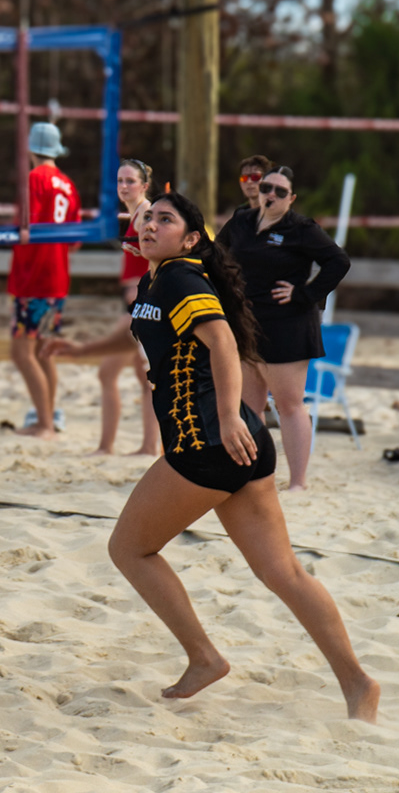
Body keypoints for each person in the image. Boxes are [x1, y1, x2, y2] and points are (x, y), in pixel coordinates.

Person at [44, 191, 380, 721]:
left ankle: (204, 657)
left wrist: (226, 417)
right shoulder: (155, 281)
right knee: (284, 573)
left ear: (193, 239)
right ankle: (359, 685)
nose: (151, 224)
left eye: (166, 219)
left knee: (129, 549)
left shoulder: (181, 278)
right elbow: (144, 335)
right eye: (148, 217)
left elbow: (223, 343)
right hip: (239, 442)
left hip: (209, 440)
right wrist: (76, 351)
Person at [216, 166, 350, 490]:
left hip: (287, 323)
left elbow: (339, 262)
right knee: (248, 407)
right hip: (246, 322)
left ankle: (298, 482)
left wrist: (305, 294)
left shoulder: (300, 228)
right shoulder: (243, 220)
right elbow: (214, 255)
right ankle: (255, 476)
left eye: (279, 191)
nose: (270, 194)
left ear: (291, 198)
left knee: (289, 404)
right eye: (265, 187)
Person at [8, 121, 78, 439]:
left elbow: (25, 229)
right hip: (57, 275)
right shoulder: (68, 183)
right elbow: (75, 239)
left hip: (33, 275)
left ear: (30, 148)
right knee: (43, 351)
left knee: (22, 352)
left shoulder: (34, 179)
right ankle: (49, 417)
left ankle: (45, 422)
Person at [93, 158, 160, 457]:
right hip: (135, 304)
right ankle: (147, 446)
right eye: (120, 181)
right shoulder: (137, 214)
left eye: (130, 181)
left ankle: (107, 446)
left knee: (108, 372)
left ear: (144, 185)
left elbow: (160, 258)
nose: (123, 186)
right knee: (145, 380)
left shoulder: (146, 213)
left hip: (140, 307)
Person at [227, 155, 274, 221]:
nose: (249, 182)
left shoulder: (277, 213)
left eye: (255, 177)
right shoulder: (240, 215)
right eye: (244, 178)